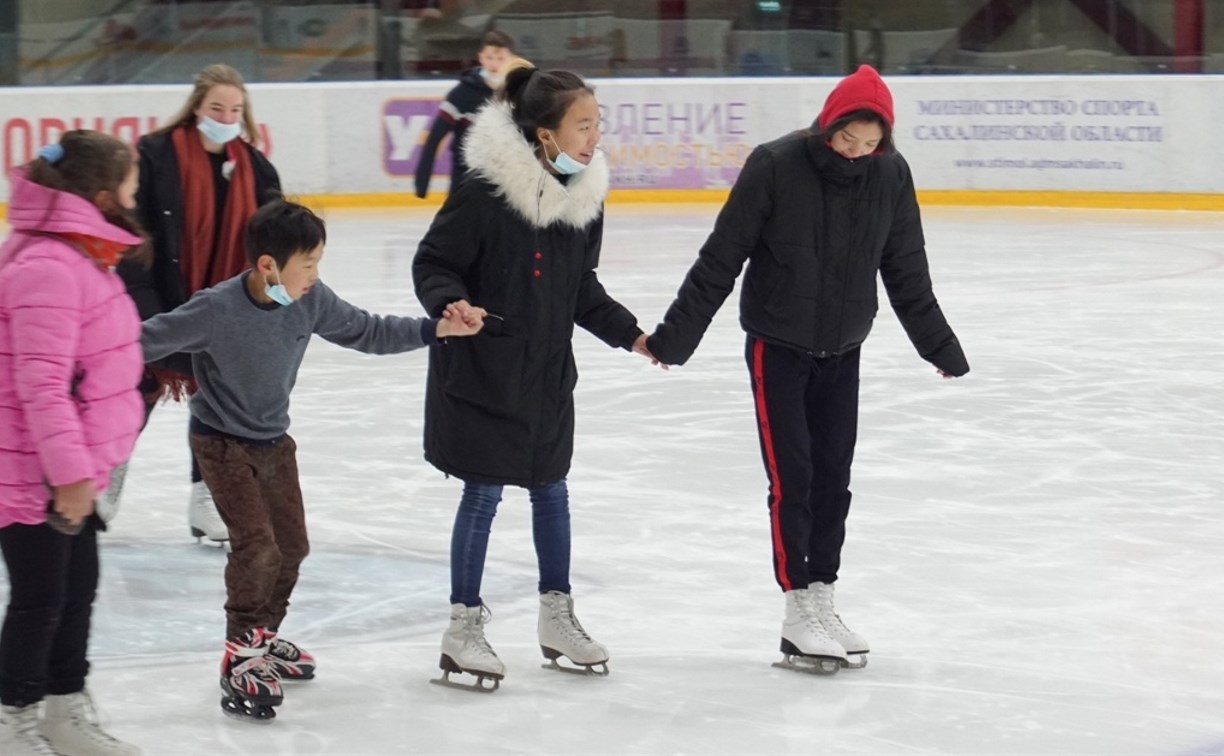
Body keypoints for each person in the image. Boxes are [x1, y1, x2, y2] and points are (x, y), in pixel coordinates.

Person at [645, 65, 970, 674]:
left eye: (870, 144)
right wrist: (675, 339)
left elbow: (906, 269)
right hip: (779, 345)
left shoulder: (890, 176)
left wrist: (939, 347)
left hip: (843, 348)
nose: (857, 152)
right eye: (848, 139)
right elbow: (722, 256)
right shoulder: (775, 165)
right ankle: (798, 611)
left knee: (833, 479)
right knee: (792, 478)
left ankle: (823, 594)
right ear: (829, 124)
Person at [140, 199, 481, 720]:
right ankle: (242, 653)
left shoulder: (310, 299)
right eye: (308, 264)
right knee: (256, 546)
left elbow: (367, 330)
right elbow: (146, 338)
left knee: (291, 547)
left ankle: (263, 636)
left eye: (318, 264)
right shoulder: (216, 308)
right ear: (267, 266)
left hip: (274, 442)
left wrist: (437, 330)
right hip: (221, 444)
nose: (314, 276)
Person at [413, 65, 658, 691]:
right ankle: (462, 626)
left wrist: (634, 335)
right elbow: (436, 262)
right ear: (544, 133)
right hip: (483, 367)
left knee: (552, 489)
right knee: (484, 494)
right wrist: (451, 304)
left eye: (598, 124)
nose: (593, 136)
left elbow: (582, 289)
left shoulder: (583, 199)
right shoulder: (484, 192)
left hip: (547, 374)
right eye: (583, 125)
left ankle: (557, 615)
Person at [0, 132, 146, 755]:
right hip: (34, 471)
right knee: (40, 601)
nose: (141, 194)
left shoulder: (73, 253)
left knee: (75, 592)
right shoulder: (47, 265)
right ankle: (13, 721)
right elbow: (41, 385)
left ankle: (62, 709)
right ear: (105, 194)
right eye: (134, 182)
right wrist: (68, 475)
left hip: (67, 465)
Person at [114, 63, 283, 544]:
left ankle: (207, 496)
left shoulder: (256, 166)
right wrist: (145, 304)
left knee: (217, 402)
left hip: (224, 307)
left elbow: (275, 235)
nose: (226, 116)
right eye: (216, 107)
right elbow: (133, 233)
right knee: (135, 390)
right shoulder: (155, 154)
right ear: (196, 106)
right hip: (161, 297)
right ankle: (107, 474)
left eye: (234, 109)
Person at [414, 30, 515, 199]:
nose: (494, 64)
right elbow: (434, 138)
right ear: (481, 57)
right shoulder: (461, 95)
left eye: (501, 58)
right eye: (490, 58)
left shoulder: (518, 94)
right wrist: (422, 181)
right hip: (464, 178)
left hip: (504, 179)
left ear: (511, 60)